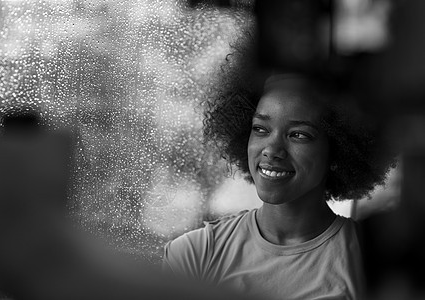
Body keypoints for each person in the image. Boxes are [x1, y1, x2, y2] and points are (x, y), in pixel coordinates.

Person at [162, 39, 396, 299]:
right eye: (260, 129)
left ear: (339, 150)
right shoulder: (196, 254)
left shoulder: (368, 263)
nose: (272, 149)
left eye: (298, 135)